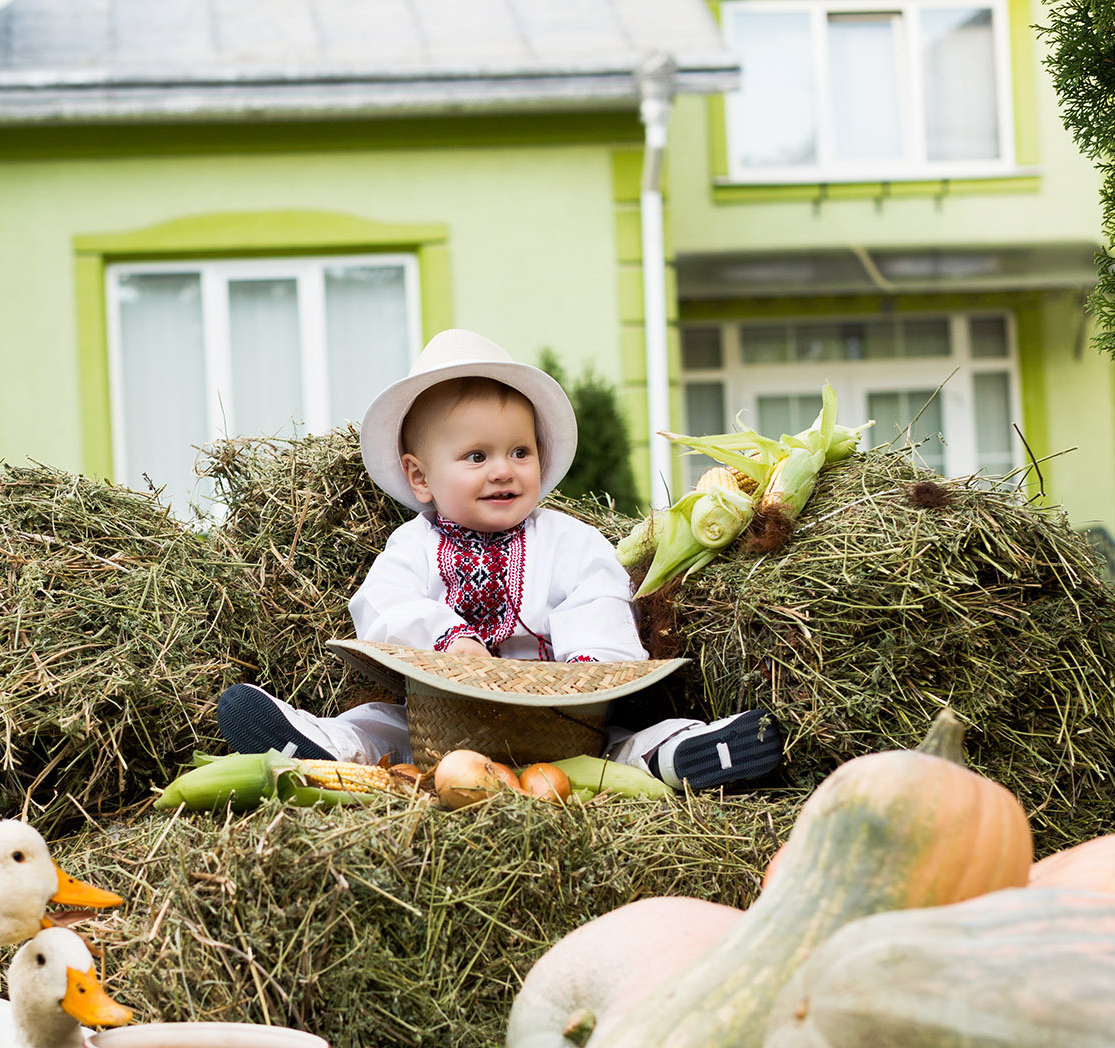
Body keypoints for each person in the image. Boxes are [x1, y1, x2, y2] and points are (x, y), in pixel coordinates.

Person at [216, 330, 780, 792]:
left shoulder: (569, 540)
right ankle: (320, 746)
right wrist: (448, 639)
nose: (503, 470)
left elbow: (600, 596)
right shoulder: (413, 547)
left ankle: (683, 752)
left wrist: (585, 666)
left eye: (519, 451)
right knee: (377, 727)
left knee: (625, 744)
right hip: (439, 727)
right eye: (476, 456)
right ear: (420, 476)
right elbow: (383, 605)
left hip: (564, 723)